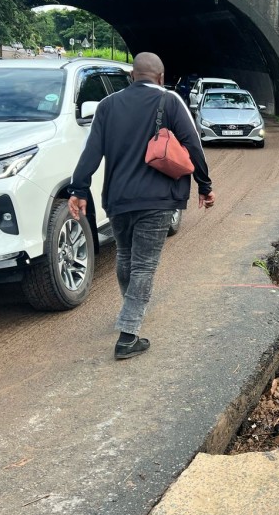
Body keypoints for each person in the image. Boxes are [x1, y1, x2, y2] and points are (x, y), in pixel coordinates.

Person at [67, 52, 214, 360]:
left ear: (133, 75)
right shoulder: (170, 101)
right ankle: (128, 335)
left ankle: (129, 309)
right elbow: (193, 144)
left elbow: (91, 150)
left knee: (125, 255)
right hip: (157, 199)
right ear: (160, 77)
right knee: (144, 264)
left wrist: (79, 188)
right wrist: (205, 185)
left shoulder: (107, 106)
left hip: (118, 198)